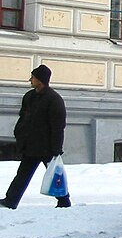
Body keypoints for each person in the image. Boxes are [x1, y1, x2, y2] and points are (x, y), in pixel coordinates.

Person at [0, 65, 71, 209]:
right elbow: (23, 118)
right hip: (30, 145)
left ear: (41, 80)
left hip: (47, 148)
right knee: (22, 175)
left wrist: (57, 148)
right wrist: (19, 133)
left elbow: (58, 126)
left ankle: (64, 200)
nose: (30, 80)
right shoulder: (29, 96)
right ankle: (10, 201)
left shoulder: (54, 99)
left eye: (33, 77)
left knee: (55, 176)